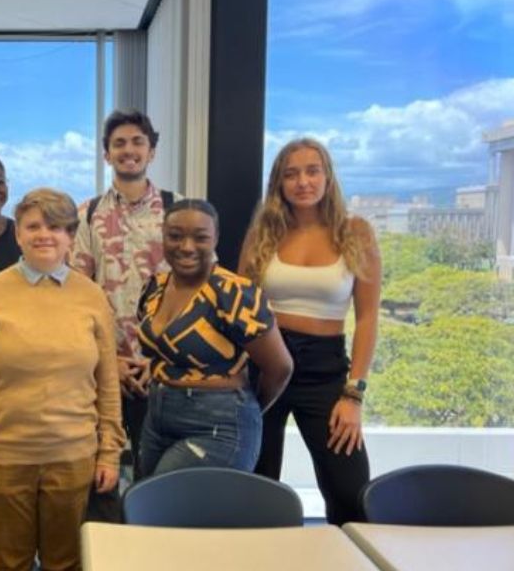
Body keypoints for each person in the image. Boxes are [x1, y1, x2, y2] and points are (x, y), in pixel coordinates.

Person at [0, 188, 125, 571]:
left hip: (73, 456)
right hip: (5, 458)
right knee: (9, 562)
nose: (43, 234)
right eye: (33, 226)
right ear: (18, 234)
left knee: (65, 562)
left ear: (70, 235)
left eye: (55, 226)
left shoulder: (91, 296)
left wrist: (110, 451)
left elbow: (108, 382)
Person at [240, 137, 381, 525]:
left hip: (326, 371)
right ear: (279, 183)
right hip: (265, 367)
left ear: (328, 176)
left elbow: (368, 318)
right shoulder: (263, 232)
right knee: (255, 491)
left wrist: (354, 394)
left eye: (312, 170)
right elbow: (239, 309)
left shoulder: (356, 232)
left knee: (350, 493)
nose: (303, 181)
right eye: (292, 174)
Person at [137, 199, 293, 476]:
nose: (186, 246)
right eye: (175, 236)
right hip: (157, 415)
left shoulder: (234, 293)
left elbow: (280, 368)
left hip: (218, 424)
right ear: (163, 236)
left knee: (169, 509)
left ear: (216, 239)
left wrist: (247, 410)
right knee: (141, 508)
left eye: (200, 237)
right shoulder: (155, 286)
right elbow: (162, 349)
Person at [72, 109, 177, 495]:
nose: (128, 150)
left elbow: (198, 289)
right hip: (104, 368)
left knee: (158, 479)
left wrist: (158, 359)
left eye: (137, 142)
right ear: (106, 154)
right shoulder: (87, 215)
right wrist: (109, 360)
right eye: (119, 143)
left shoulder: (178, 208)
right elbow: (78, 296)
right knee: (101, 477)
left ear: (151, 151)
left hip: (164, 369)